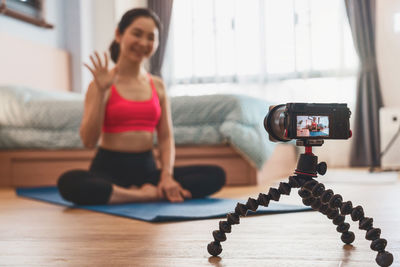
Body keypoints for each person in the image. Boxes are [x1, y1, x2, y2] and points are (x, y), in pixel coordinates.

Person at [57, 8, 226, 205]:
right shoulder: (100, 84)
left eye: (151, 38)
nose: (143, 43)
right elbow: (88, 140)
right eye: (137, 34)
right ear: (119, 34)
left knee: (216, 174)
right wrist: (102, 91)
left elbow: (165, 137)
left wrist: (166, 176)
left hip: (147, 171)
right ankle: (148, 195)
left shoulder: (158, 85)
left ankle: (125, 195)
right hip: (108, 170)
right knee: (68, 182)